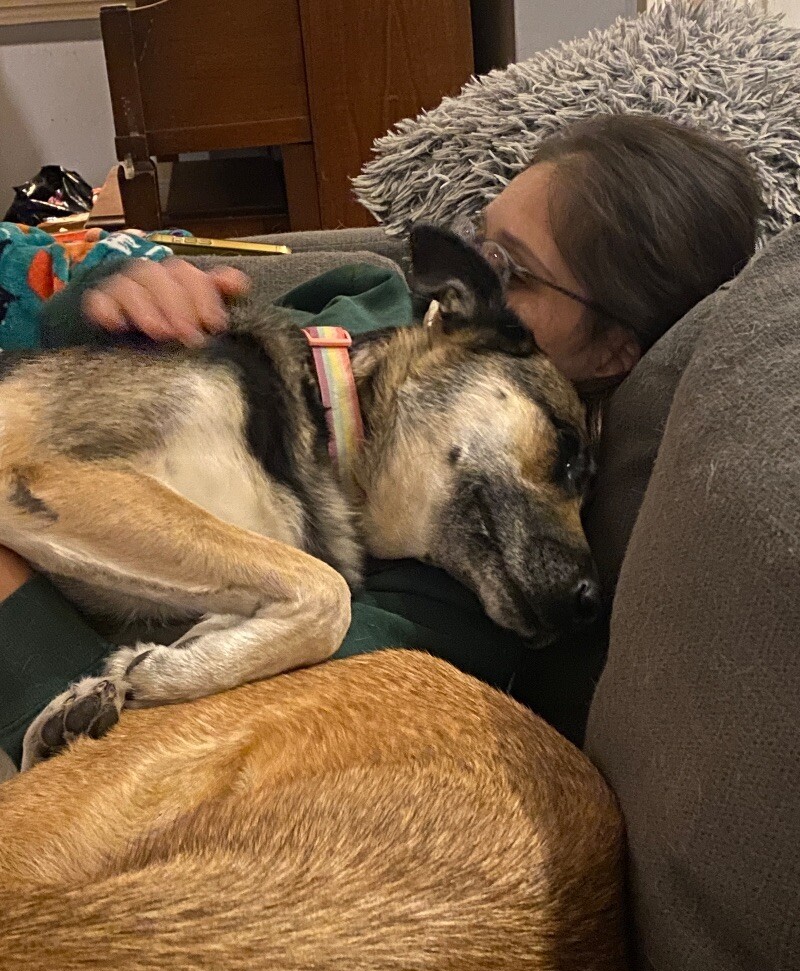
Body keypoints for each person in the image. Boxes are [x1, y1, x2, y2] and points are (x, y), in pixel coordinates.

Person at [0, 113, 762, 767]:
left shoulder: (439, 594)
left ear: (608, 353)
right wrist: (120, 303)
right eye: (479, 248)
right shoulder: (366, 298)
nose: (454, 297)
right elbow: (75, 383)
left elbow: (163, 735)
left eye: (515, 274)